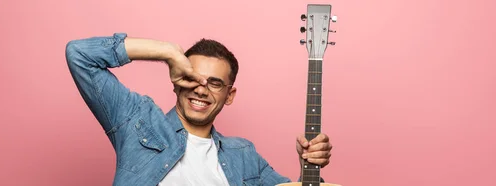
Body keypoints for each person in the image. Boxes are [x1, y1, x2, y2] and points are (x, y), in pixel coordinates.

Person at [65, 33, 333, 186]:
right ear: (176, 82)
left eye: (215, 83)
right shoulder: (137, 120)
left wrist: (307, 162)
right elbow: (79, 55)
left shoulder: (244, 154)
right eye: (192, 78)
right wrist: (167, 52)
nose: (201, 89)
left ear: (230, 95)